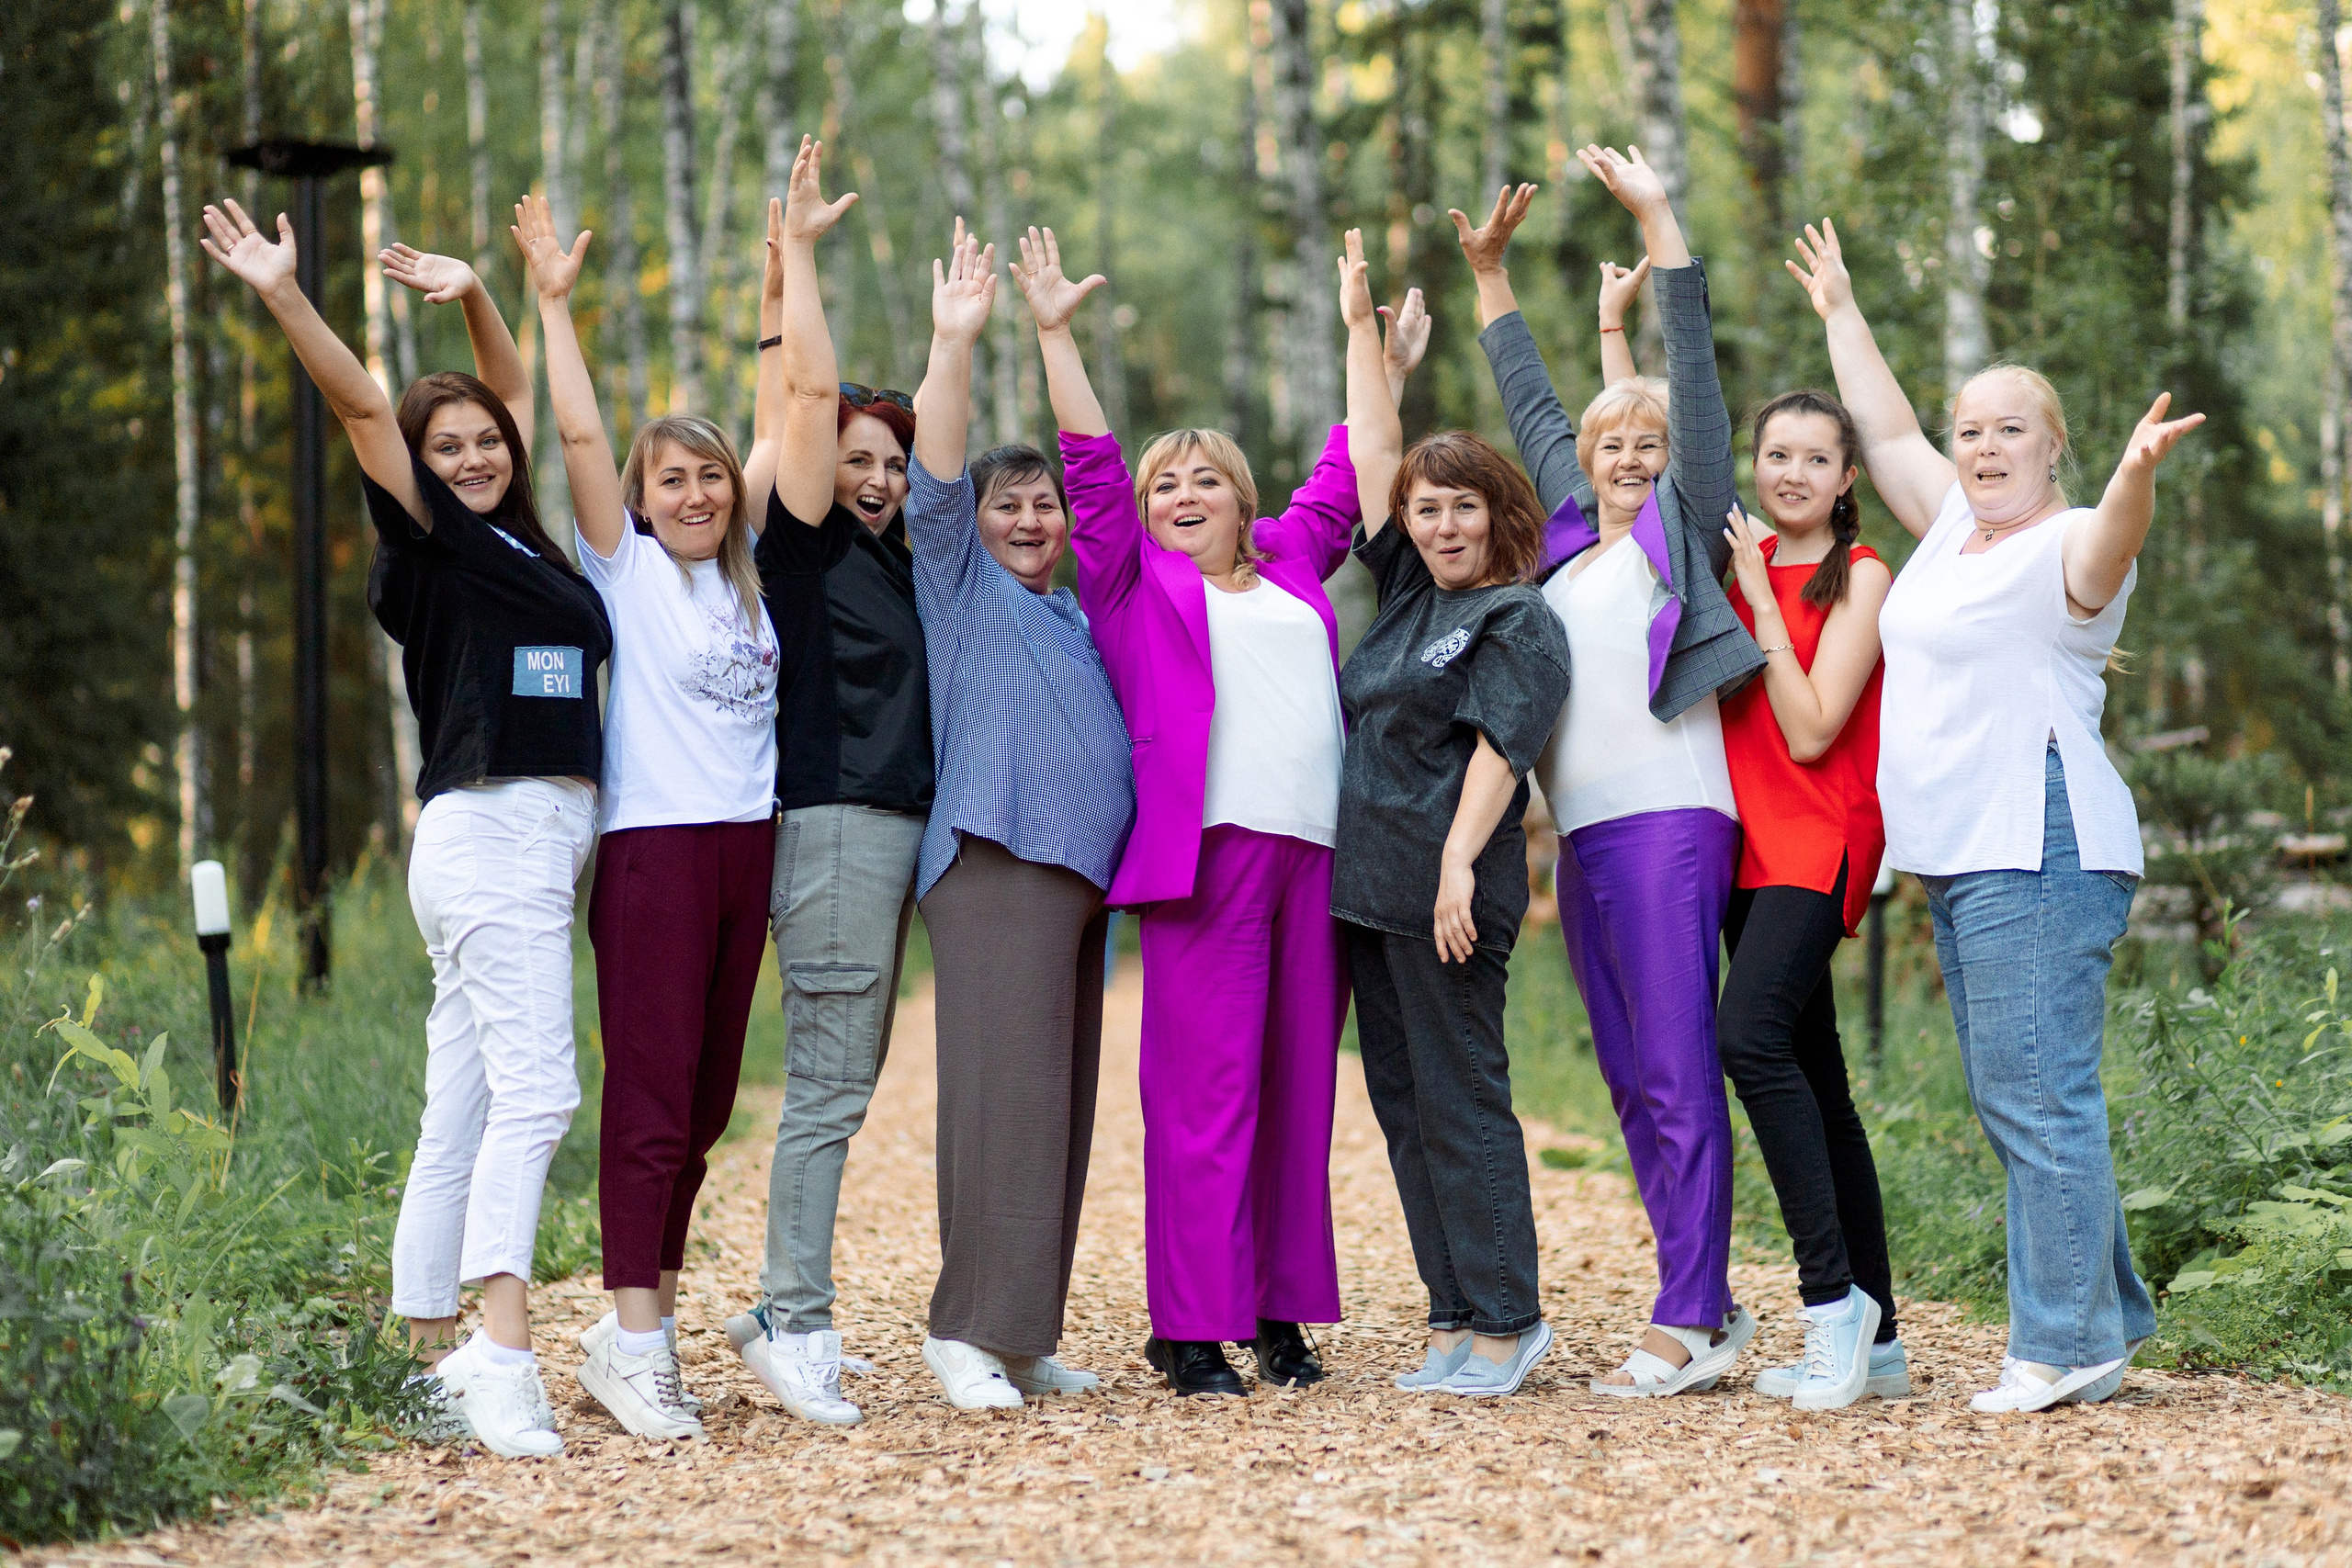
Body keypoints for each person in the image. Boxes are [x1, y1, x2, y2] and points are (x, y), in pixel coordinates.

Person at [200, 202, 604, 1458]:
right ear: (419, 469)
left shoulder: (508, 529)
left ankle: (424, 1354)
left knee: (466, 1105)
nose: (476, 455)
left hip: (507, 839)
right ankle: (502, 1357)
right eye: (450, 446)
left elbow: (514, 392)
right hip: (497, 829)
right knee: (539, 1093)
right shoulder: (432, 537)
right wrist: (285, 293)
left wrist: (480, 292)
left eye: (485, 442)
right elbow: (365, 407)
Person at [1788, 218, 2202, 1413]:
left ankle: (2062, 1341)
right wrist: (1841, 308)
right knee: (2020, 1093)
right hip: (1966, 854)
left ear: (2052, 445)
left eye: (2009, 428)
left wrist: (2135, 471)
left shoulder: (2067, 543)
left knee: (2036, 1096)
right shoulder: (1951, 535)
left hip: (2041, 841)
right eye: (1970, 429)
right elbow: (1885, 431)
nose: (1982, 446)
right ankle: (2104, 1317)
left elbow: (2114, 535)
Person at [1013, 225, 1428, 1397]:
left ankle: (1277, 1314)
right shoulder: (1130, 581)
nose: (1182, 494)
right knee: (1205, 1100)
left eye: (1203, 480)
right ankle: (1189, 1327)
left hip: (1315, 857)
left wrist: (1370, 351)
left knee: (1296, 1094)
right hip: (1207, 861)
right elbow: (1091, 465)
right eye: (1165, 484)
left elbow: (1352, 464)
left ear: (1244, 501)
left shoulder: (1292, 562)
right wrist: (1054, 335)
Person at [1457, 149, 1765, 1398]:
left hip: (1673, 824)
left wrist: (1660, 223)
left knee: (1678, 1066)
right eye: (1613, 443)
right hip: (1585, 837)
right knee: (1631, 1074)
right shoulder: (1572, 550)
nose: (1632, 455)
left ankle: (1688, 1312)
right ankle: (1709, 1296)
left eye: (1652, 443)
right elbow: (1535, 404)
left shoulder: (1676, 539)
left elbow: (1690, 377)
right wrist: (1490, 277)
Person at [517, 195, 782, 1442]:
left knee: (710, 1103)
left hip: (745, 847)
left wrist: (784, 287)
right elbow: (577, 426)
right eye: (670, 477)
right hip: (656, 855)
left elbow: (788, 417)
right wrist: (552, 307)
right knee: (652, 1100)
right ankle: (631, 1340)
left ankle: (645, 1331)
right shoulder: (627, 572)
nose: (694, 492)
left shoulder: (745, 584)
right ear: (638, 496)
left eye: (709, 474)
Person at [709, 140, 930, 1428]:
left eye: (892, 461)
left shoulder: (893, 556)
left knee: (844, 1078)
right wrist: (795, 260)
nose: (878, 478)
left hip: (884, 832)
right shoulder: (799, 546)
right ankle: (795, 1317)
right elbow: (794, 398)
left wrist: (774, 284)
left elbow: (792, 400)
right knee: (831, 1088)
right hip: (837, 826)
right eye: (857, 458)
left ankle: (772, 1304)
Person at [1333, 228, 1572, 1399]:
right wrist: (1359, 335)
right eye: (1425, 511)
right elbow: (1374, 448)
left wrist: (1456, 864)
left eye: (1460, 507)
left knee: (1463, 1096)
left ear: (1496, 512)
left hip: (1449, 894)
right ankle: (1451, 1314)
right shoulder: (1405, 599)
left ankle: (1509, 1318)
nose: (1439, 526)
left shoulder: (1515, 617)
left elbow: (1497, 749)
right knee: (1403, 1103)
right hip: (1371, 895)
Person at [907, 225, 1136, 1410]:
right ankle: (963, 1329)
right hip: (996, 860)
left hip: (1075, 878)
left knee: (1054, 1104)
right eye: (1011, 505)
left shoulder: (1075, 611)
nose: (1033, 519)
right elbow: (937, 479)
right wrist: (955, 343)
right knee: (1000, 1096)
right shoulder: (958, 584)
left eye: (1044, 503)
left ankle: (1020, 1332)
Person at [1712, 390, 1905, 1410]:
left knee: (1746, 1037)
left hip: (1819, 838)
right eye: (1776, 454)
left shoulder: (1862, 575)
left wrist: (1757, 597)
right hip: (1743, 849)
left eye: (1815, 459)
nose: (1791, 473)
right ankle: (1883, 1345)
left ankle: (1832, 1307)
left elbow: (1814, 727)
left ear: (1846, 479)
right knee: (1819, 1083)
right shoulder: (1730, 562)